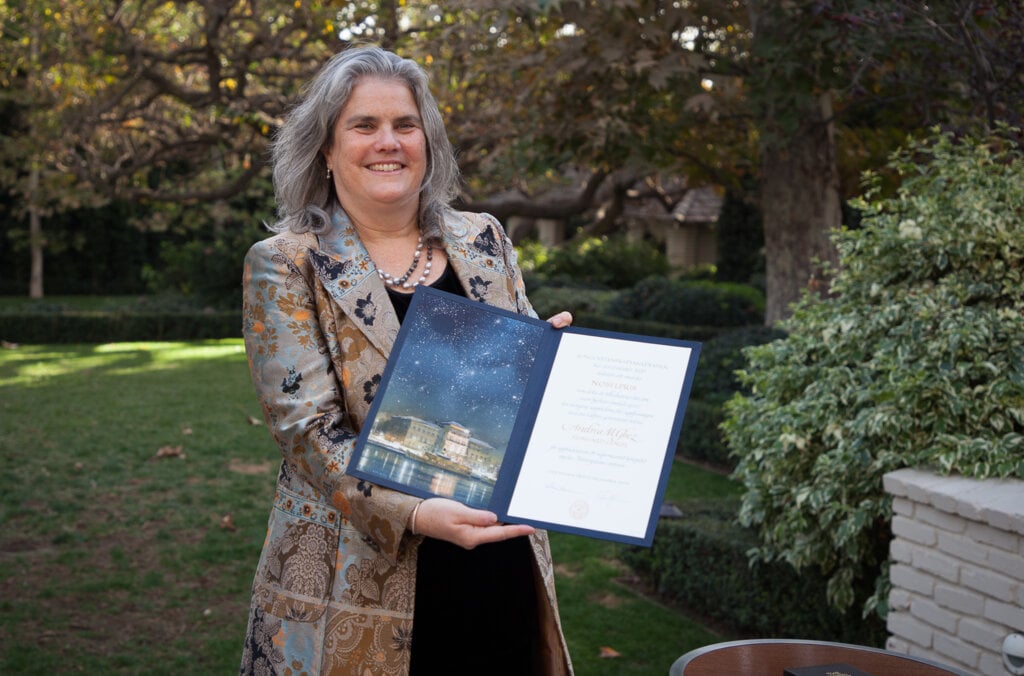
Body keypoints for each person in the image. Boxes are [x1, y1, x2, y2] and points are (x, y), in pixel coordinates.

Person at [239, 46, 575, 675]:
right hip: (358, 577)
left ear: (428, 141)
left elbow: (516, 399)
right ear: (326, 150)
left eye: (405, 124)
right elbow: (307, 433)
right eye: (363, 125)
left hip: (497, 558)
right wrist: (417, 512)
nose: (387, 142)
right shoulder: (287, 262)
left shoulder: (484, 237)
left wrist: (550, 363)